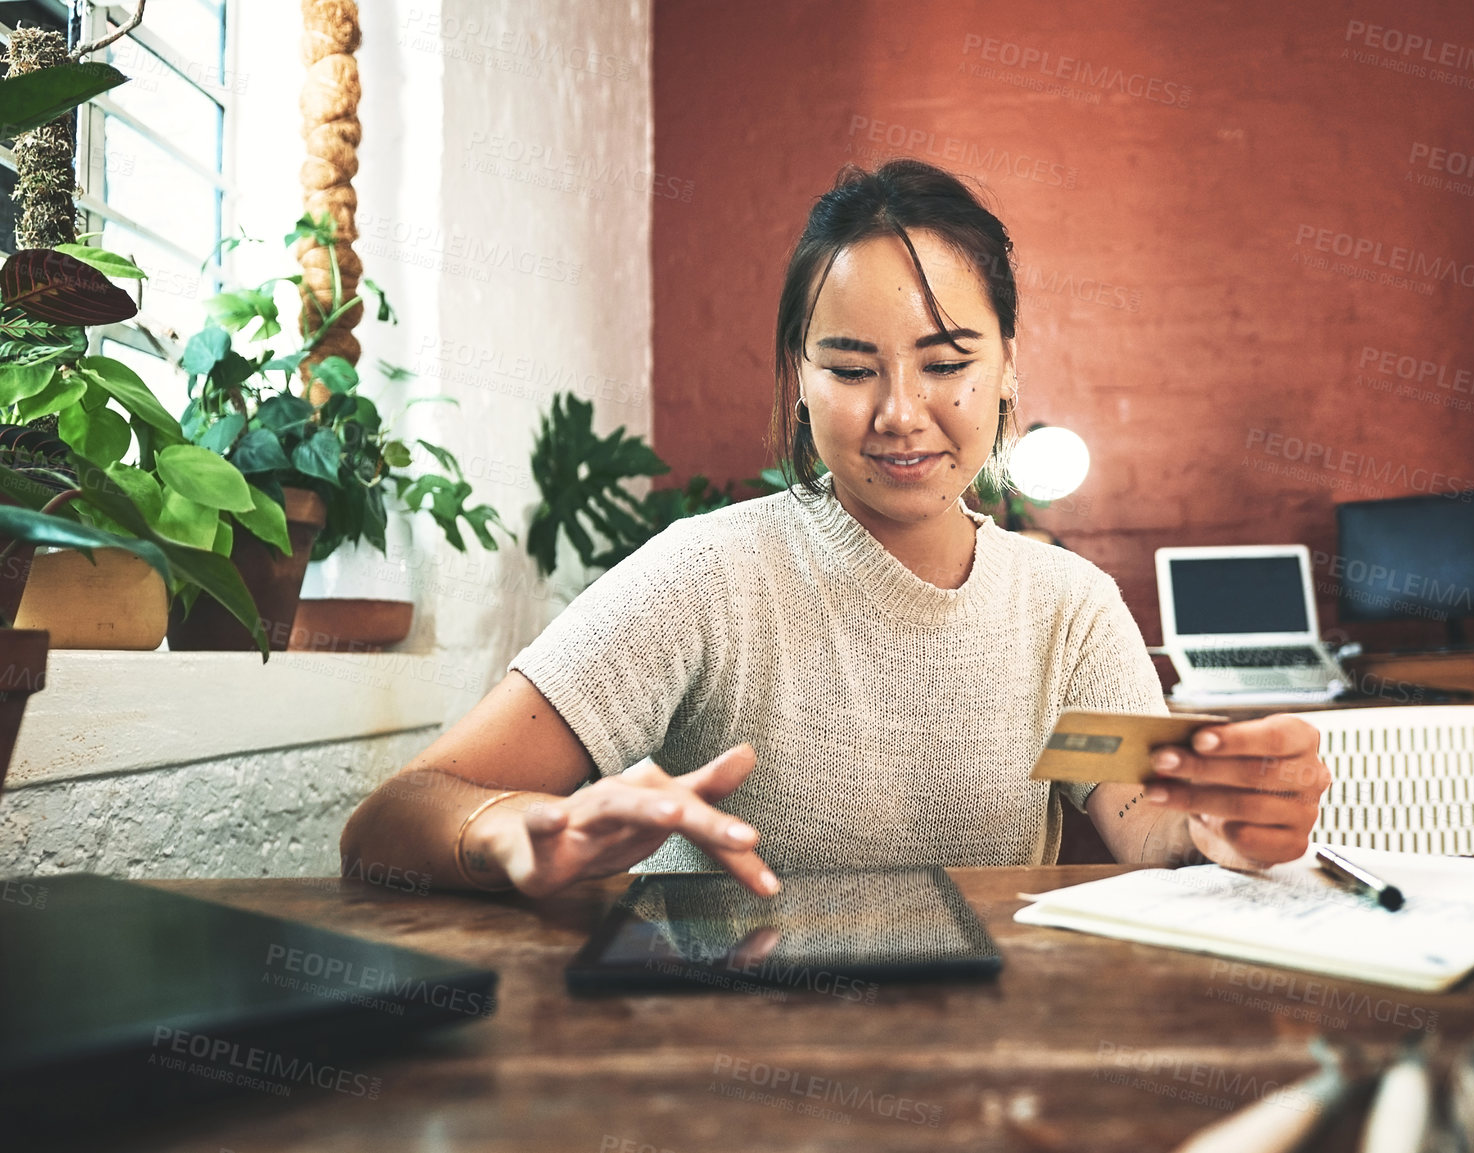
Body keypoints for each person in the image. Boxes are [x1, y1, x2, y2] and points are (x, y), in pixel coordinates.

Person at [340, 159, 1329, 899]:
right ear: (800, 380)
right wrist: (515, 831)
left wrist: (1221, 827)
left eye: (946, 363)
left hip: (993, 1070)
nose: (900, 412)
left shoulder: (1065, 608)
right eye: (851, 368)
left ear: (1009, 364)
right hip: (734, 1066)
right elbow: (391, 818)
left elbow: (1141, 823)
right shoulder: (709, 574)